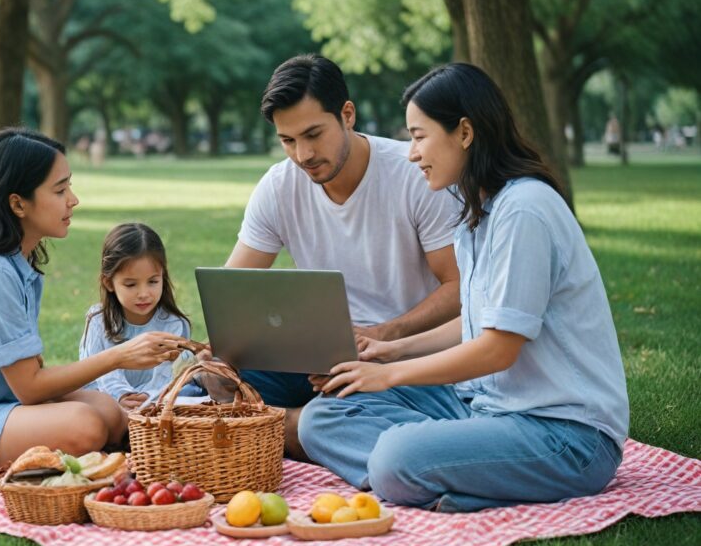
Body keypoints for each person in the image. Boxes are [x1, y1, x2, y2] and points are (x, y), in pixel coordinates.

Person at [298, 63, 629, 512]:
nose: (412, 153)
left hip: (565, 435)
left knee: (397, 458)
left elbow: (497, 349)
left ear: (465, 132)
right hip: (488, 407)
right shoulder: (477, 212)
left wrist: (390, 374)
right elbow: (475, 322)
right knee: (323, 416)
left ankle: (420, 473)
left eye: (419, 135)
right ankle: (430, 469)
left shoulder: (525, 211)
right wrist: (387, 351)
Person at [0, 129, 190, 489]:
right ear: (18, 204)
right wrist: (120, 355)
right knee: (87, 425)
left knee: (110, 410)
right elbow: (30, 388)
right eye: (60, 190)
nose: (73, 200)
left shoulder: (17, 263)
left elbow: (29, 372)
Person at [217, 54, 461, 458]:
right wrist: (221, 354)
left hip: (403, 358)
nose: (302, 155)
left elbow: (460, 288)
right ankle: (292, 427)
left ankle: (280, 428)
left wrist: (384, 335)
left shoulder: (414, 175)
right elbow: (231, 291)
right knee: (206, 384)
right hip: (316, 357)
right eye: (288, 140)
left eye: (314, 134)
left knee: (322, 418)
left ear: (347, 114)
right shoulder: (279, 186)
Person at [79, 222, 205, 410]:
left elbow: (168, 374)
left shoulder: (174, 324)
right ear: (109, 283)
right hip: (106, 397)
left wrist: (148, 396)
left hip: (154, 401)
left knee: (192, 390)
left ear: (163, 276)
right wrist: (122, 395)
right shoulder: (98, 320)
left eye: (153, 281)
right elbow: (101, 371)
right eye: (131, 285)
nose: (144, 293)